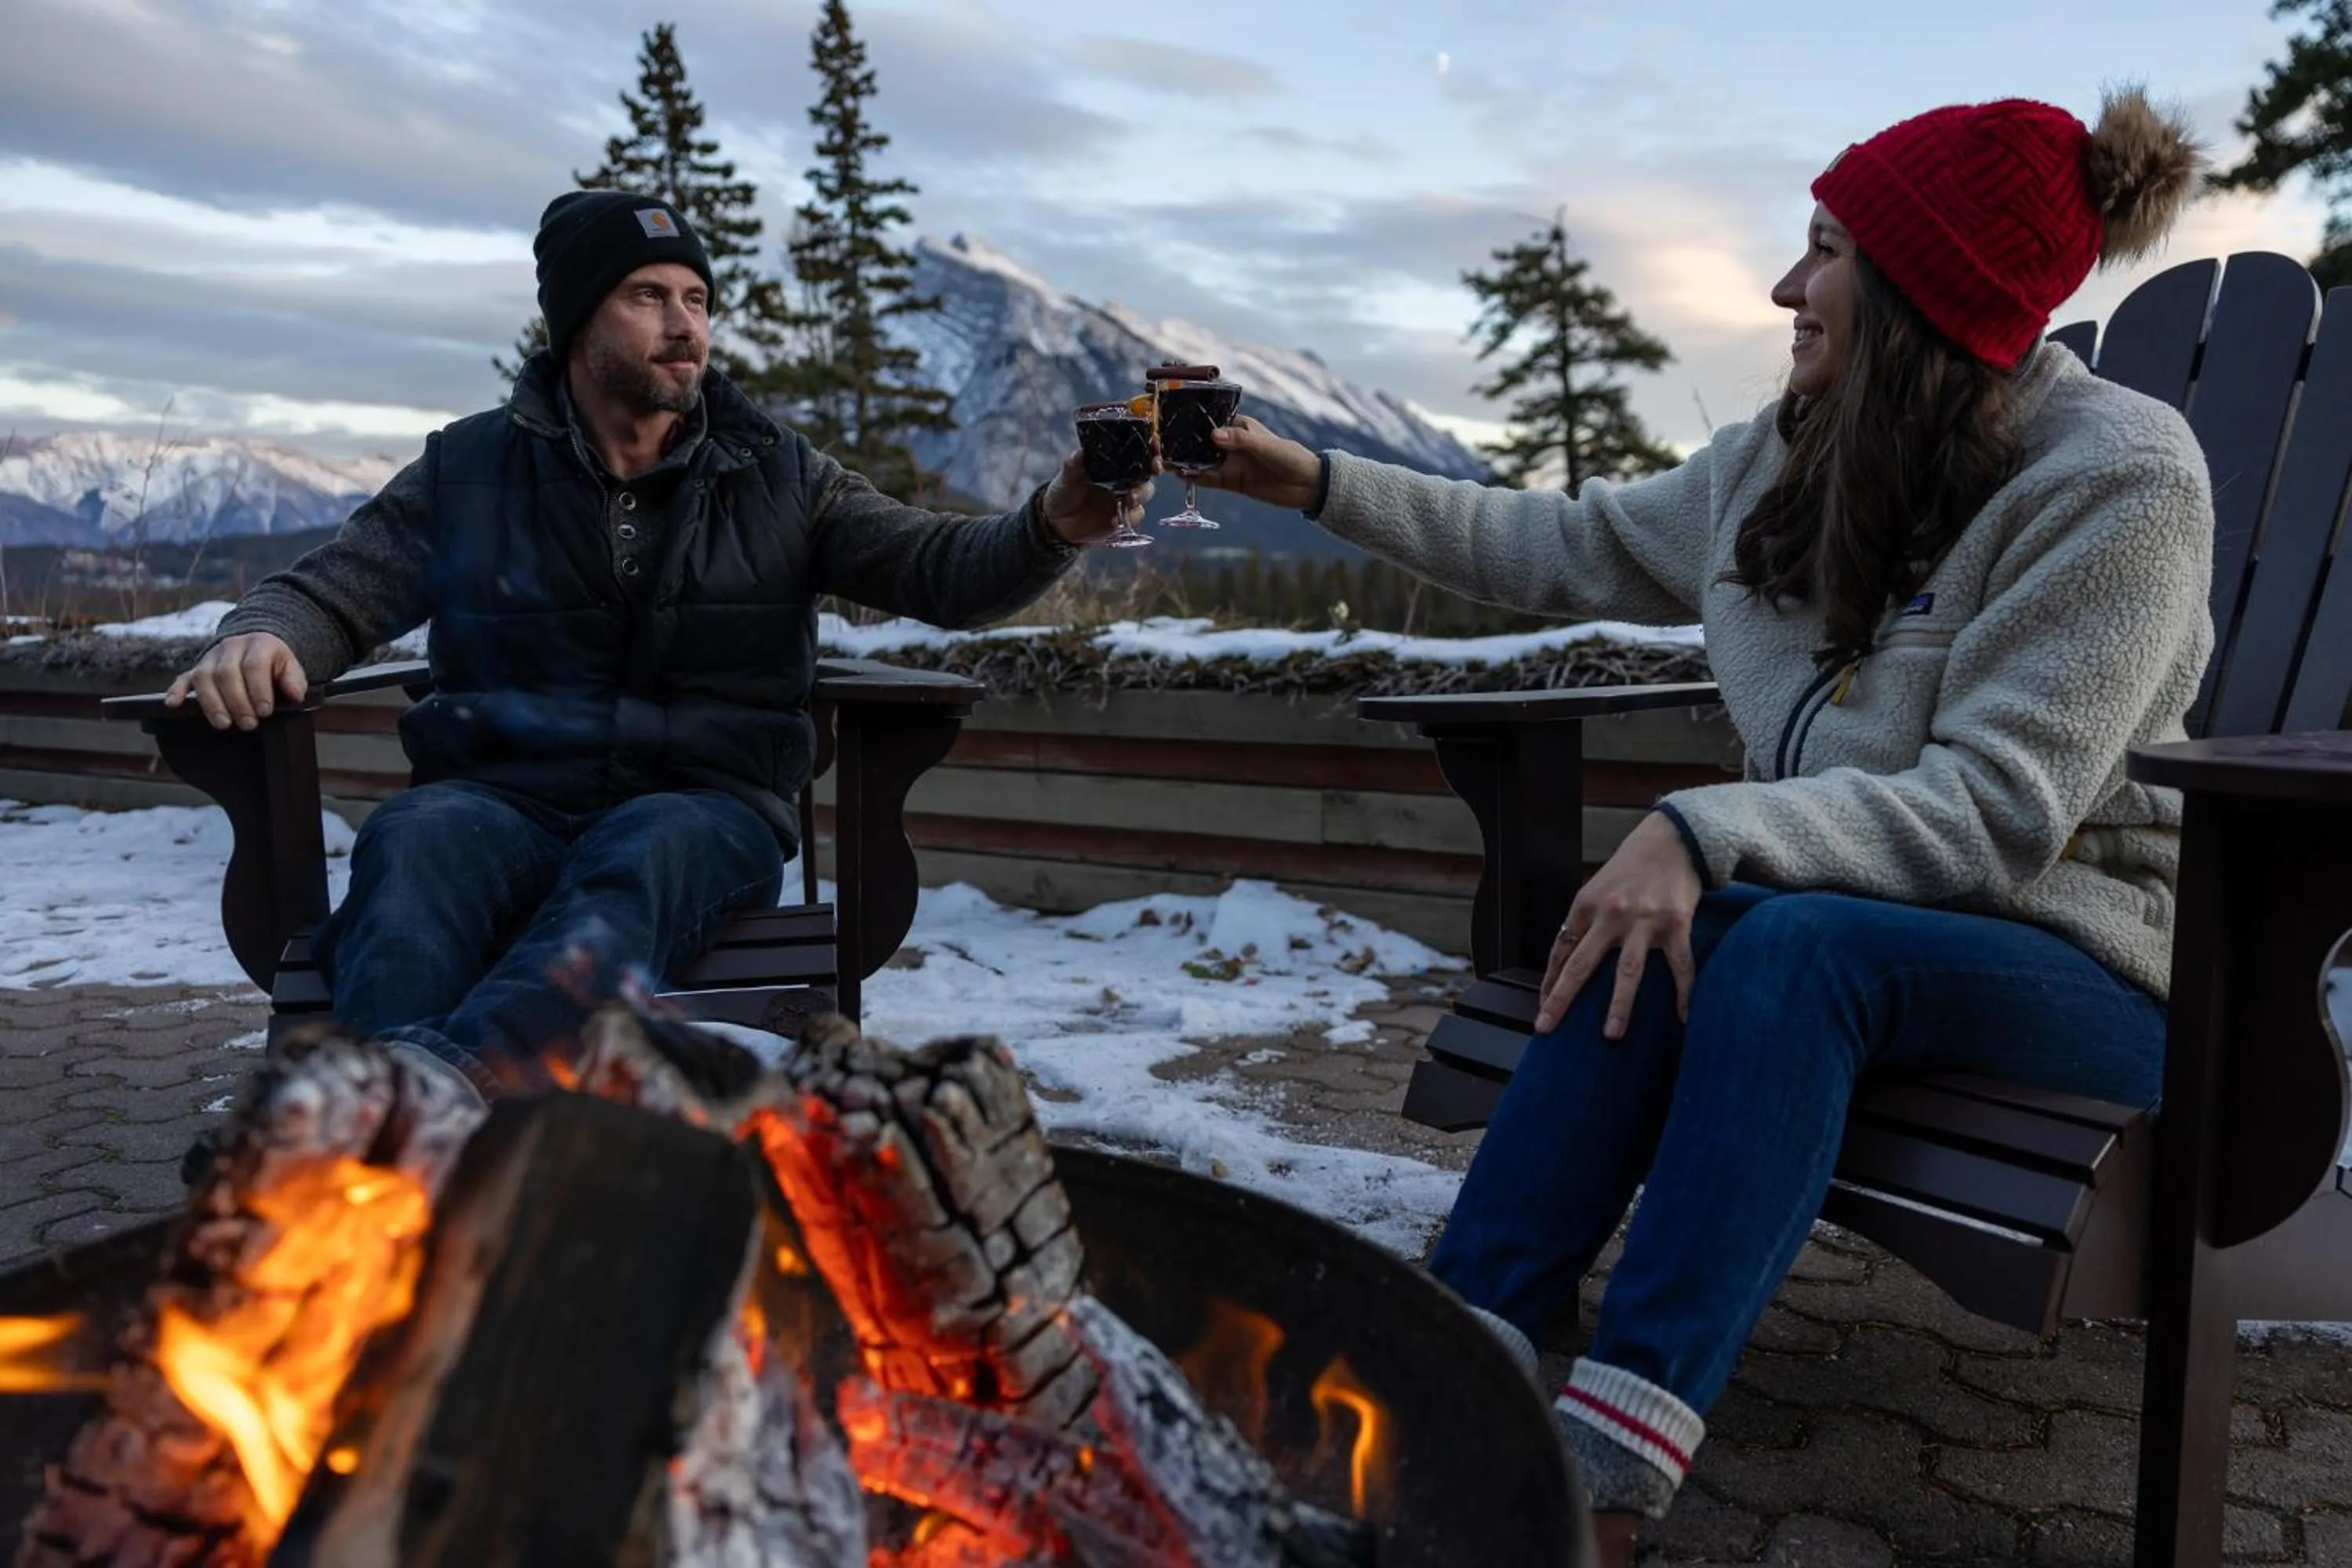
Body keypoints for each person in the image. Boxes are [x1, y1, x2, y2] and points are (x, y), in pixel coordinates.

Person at [1196, 90, 2211, 1560]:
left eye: (1826, 254)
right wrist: (1318, 481)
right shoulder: (1784, 459)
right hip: (1850, 944)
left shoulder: (2115, 482)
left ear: (1925, 290)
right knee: (1711, 932)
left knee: (1777, 939)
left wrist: (1697, 828)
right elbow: (1564, 540)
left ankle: (1602, 1487)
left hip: (2089, 965)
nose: (1786, 290)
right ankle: (1464, 1359)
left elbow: (1998, 815)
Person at [168, 189, 1145, 1102]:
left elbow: (944, 568)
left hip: (703, 805)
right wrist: (261, 635)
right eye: (648, 296)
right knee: (413, 844)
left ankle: (384, 1113)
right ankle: (401, 1127)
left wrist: (1054, 521)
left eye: (697, 298)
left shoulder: (779, 474)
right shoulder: (467, 471)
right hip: (495, 794)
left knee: (643, 855)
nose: (687, 325)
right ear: (578, 322)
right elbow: (331, 591)